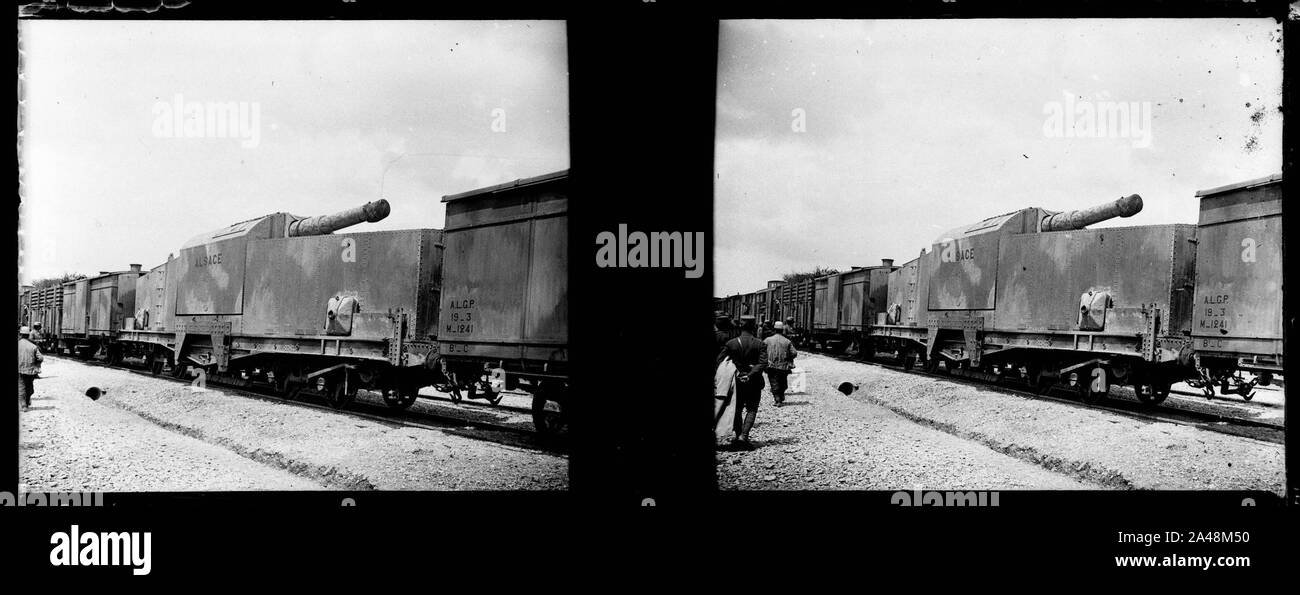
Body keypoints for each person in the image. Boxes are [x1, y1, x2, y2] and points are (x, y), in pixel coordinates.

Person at [724, 315, 767, 450]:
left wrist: (736, 371)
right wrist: (750, 374)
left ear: (740, 326)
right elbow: (763, 363)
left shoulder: (731, 343)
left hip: (736, 381)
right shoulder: (760, 343)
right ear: (754, 327)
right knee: (752, 409)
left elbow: (721, 361)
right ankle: (744, 436)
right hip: (754, 381)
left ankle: (737, 436)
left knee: (737, 409)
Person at [764, 321, 798, 407]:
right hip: (783, 366)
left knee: (773, 382)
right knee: (782, 382)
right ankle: (780, 396)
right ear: (782, 330)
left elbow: (761, 351)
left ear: (774, 330)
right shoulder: (787, 341)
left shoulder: (767, 340)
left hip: (771, 365)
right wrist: (788, 358)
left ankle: (777, 399)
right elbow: (794, 353)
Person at [18, 326, 44, 411]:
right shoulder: (33, 346)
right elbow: (40, 358)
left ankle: (23, 405)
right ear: (28, 335)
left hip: (20, 370)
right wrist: (36, 365)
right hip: (31, 371)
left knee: (21, 387)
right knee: (29, 387)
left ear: (20, 334)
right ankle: (27, 400)